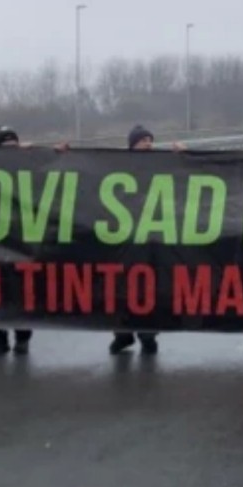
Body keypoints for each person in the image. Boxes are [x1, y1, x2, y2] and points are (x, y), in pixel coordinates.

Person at [110, 127, 161, 356]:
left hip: (151, 237)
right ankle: (123, 334)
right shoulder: (119, 166)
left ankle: (147, 334)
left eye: (150, 140)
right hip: (124, 238)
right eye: (142, 140)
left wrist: (184, 155)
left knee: (147, 286)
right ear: (132, 145)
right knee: (121, 287)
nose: (148, 144)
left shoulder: (161, 164)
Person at [0, 127, 35, 357]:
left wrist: (56, 153)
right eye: (5, 147)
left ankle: (22, 338)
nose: (10, 151)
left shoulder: (28, 165)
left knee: (22, 291)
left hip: (22, 240)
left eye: (14, 146)